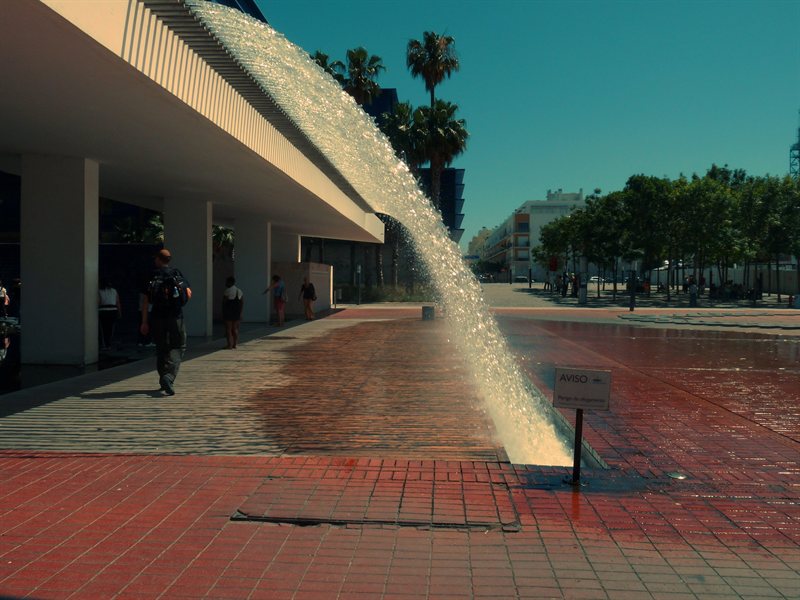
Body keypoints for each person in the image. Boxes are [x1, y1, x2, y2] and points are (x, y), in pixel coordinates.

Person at [140, 248, 191, 396]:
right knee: (178, 346)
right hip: (175, 316)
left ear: (158, 259)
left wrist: (144, 322)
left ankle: (163, 378)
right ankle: (168, 376)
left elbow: (145, 301)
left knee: (161, 348)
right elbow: (188, 293)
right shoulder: (176, 273)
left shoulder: (152, 275)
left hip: (157, 317)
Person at [97, 277, 122, 350]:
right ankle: (108, 344)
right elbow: (118, 302)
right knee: (110, 329)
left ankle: (104, 344)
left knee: (103, 328)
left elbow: (99, 302)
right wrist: (119, 312)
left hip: (103, 310)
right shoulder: (114, 291)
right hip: (113, 310)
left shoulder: (99, 291)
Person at [222, 276, 244, 349]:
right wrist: (241, 312)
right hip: (237, 311)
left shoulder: (227, 291)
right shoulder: (239, 290)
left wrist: (222, 312)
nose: (225, 283)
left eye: (226, 282)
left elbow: (224, 302)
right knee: (235, 329)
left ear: (230, 282)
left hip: (229, 311)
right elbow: (242, 302)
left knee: (228, 329)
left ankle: (229, 345)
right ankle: (235, 344)